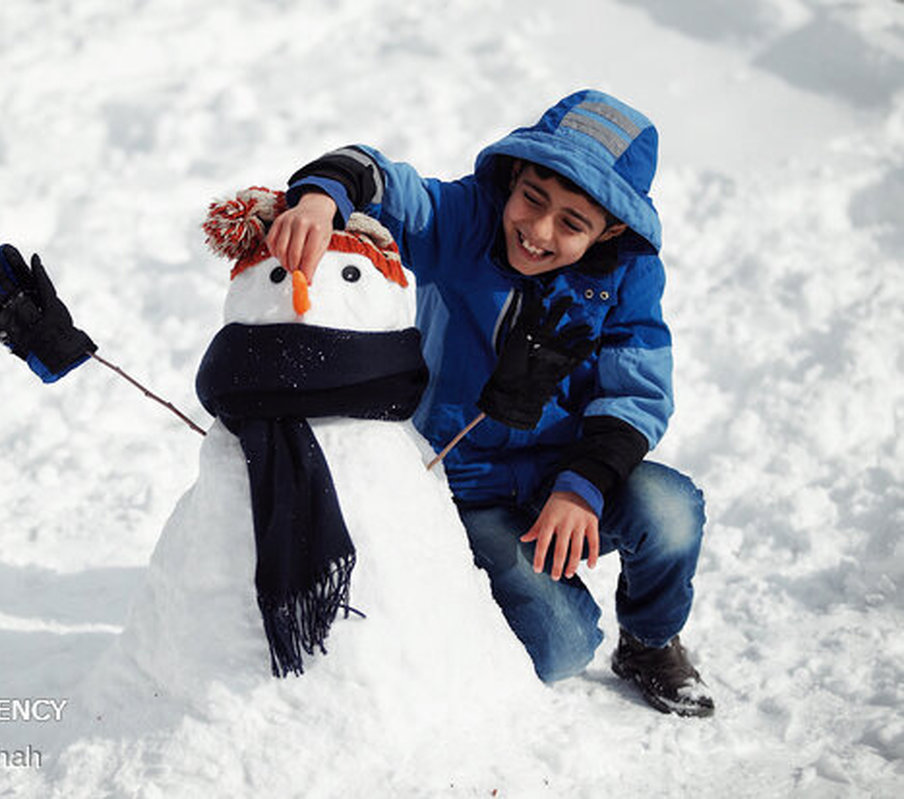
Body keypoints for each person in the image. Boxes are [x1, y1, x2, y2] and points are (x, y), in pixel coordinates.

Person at [265, 89, 714, 717]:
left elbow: (637, 388)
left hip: (567, 476)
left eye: (571, 223)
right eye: (532, 198)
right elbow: (377, 178)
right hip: (466, 488)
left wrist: (584, 484)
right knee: (560, 649)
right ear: (515, 177)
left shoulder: (628, 278)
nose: (537, 230)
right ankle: (458, 596)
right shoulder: (467, 222)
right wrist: (319, 198)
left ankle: (648, 644)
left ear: (611, 229)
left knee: (670, 511)